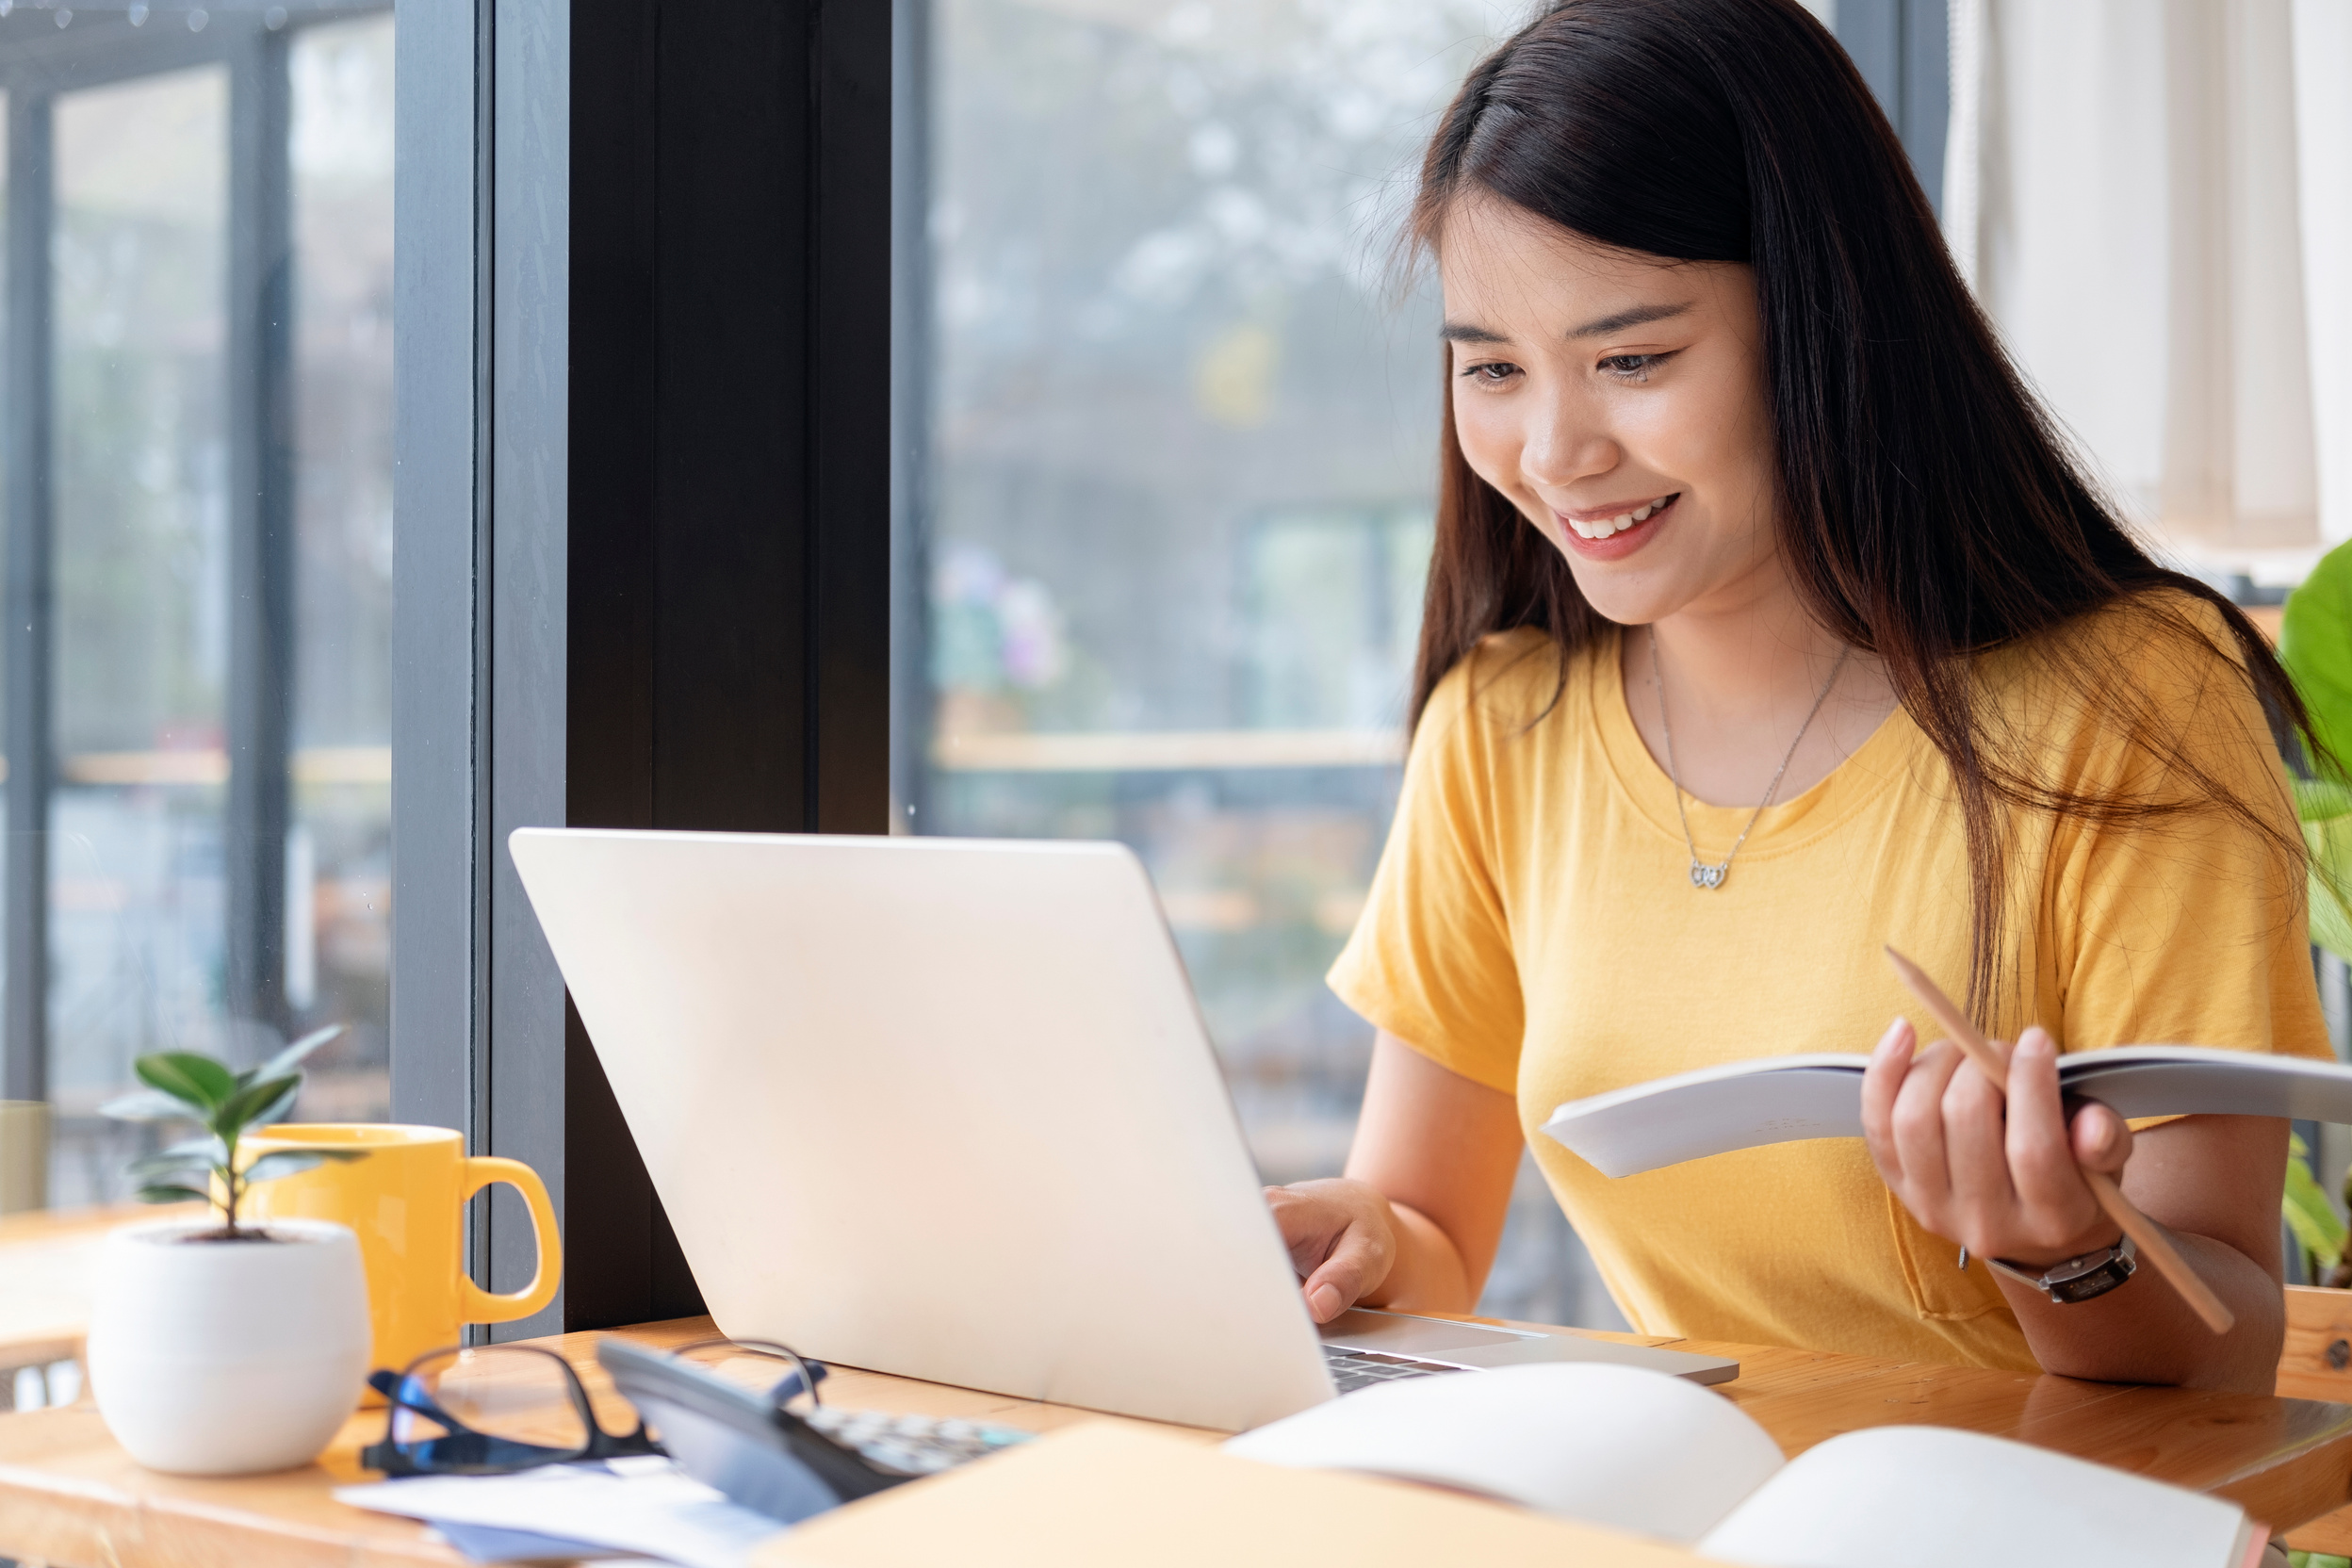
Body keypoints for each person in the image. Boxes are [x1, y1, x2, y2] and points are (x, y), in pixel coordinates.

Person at [1266, 0, 2330, 1393]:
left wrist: (2065, 1248)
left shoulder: (2128, 698)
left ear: (1822, 319)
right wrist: (1349, 1242)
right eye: (1493, 371)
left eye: (1634, 359)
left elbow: (2230, 1344)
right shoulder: (1505, 721)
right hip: (1698, 1505)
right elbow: (1429, 1233)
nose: (1554, 449)